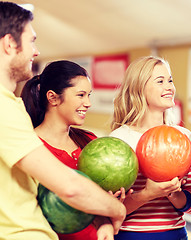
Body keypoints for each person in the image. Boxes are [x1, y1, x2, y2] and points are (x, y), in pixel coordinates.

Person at [0, 2, 126, 240]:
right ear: (9, 44)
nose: (36, 51)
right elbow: (70, 187)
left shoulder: (11, 105)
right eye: (31, 40)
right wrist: (116, 210)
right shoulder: (2, 107)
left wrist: (102, 218)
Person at [21, 60, 123, 240]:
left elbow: (100, 209)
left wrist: (108, 208)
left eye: (89, 95)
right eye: (81, 95)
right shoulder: (30, 148)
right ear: (53, 98)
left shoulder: (90, 142)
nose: (88, 103)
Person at [109, 56, 191, 240]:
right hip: (131, 236)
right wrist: (147, 194)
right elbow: (110, 209)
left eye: (170, 80)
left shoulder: (183, 137)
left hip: (176, 234)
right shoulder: (120, 139)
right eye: (160, 81)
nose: (169, 87)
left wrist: (173, 194)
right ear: (139, 88)